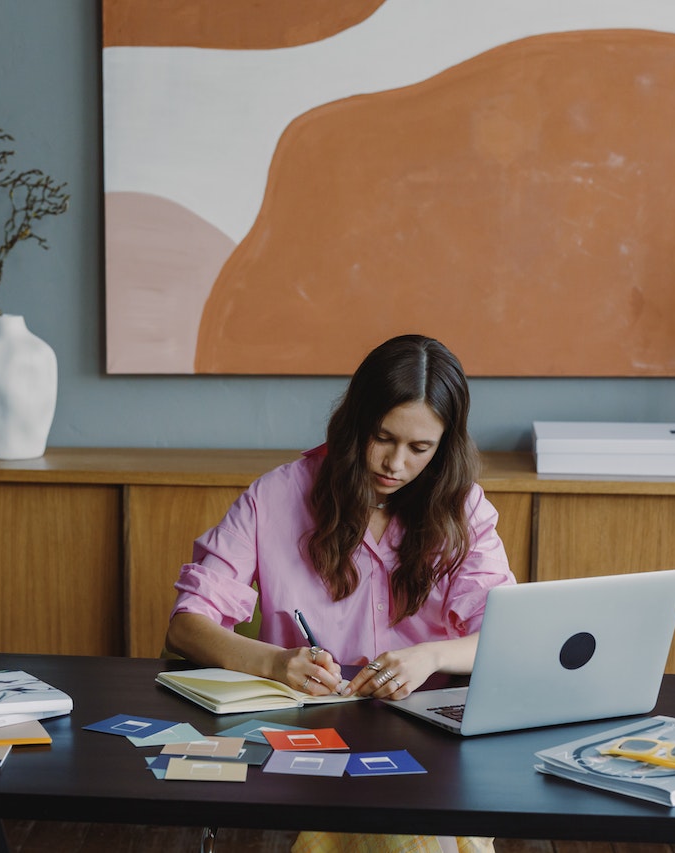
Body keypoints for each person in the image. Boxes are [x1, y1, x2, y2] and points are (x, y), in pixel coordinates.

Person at [165, 334, 515, 853]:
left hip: (429, 733)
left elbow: (506, 635)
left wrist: (430, 656)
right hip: (309, 732)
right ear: (355, 424)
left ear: (445, 446)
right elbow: (188, 623)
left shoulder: (462, 508)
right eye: (383, 438)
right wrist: (276, 662)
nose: (396, 464)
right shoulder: (276, 496)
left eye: (420, 448)